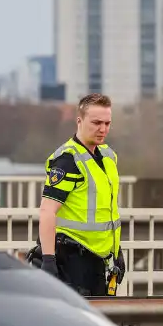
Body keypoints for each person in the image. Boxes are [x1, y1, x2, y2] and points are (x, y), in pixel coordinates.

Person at [34, 93, 125, 296]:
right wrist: (49, 260)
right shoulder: (67, 160)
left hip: (101, 259)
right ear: (79, 121)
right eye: (96, 122)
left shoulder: (108, 156)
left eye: (107, 123)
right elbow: (48, 211)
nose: (103, 129)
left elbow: (106, 210)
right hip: (73, 258)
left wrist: (116, 251)